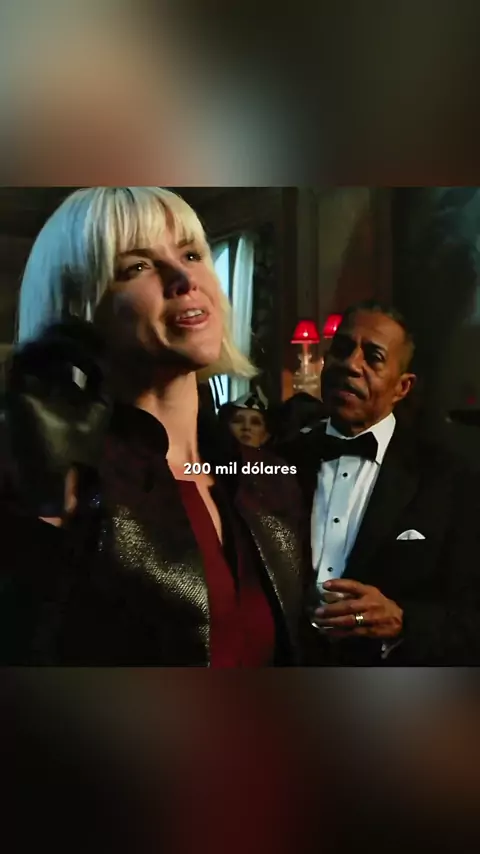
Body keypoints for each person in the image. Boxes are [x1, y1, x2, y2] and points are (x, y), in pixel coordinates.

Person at [0, 187, 307, 666]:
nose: (184, 278)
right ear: (79, 310)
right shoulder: (55, 482)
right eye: (137, 266)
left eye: (191, 254)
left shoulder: (267, 479)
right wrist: (45, 508)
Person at [278, 299, 480, 665]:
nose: (350, 364)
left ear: (402, 387)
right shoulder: (276, 461)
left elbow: (471, 617)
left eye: (373, 357)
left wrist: (402, 623)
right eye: (342, 349)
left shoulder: (449, 480)